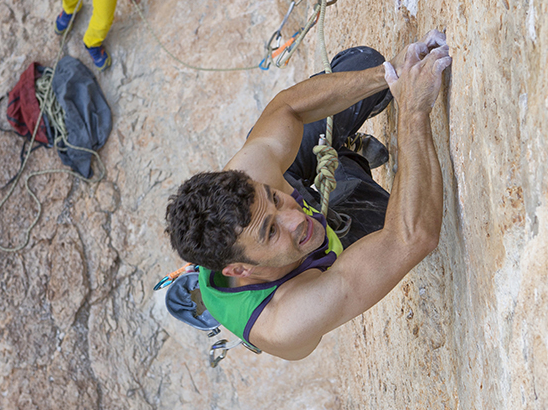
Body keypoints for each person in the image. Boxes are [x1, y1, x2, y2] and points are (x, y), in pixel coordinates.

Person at [165, 30, 451, 360]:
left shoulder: (251, 175)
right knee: (397, 216)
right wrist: (413, 111)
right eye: (270, 231)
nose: (297, 217)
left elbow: (287, 107)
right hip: (304, 276)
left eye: (273, 198)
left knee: (364, 62)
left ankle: (319, 169)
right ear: (240, 270)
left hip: (280, 193)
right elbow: (411, 238)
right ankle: (345, 162)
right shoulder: (287, 319)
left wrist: (390, 74)